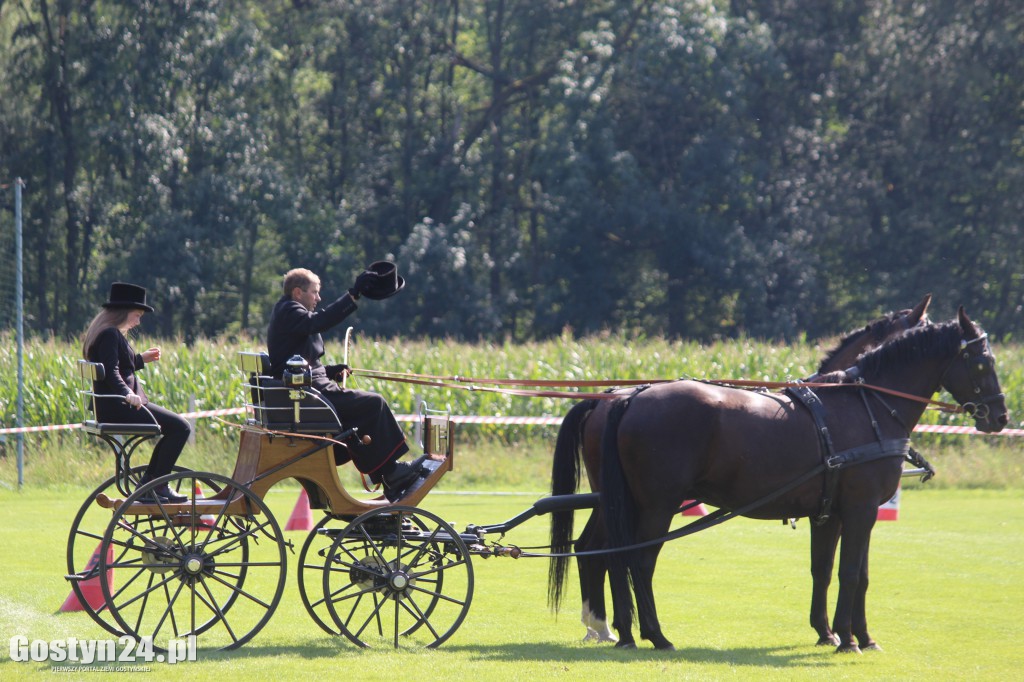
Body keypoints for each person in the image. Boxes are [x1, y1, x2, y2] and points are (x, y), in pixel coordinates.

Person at [266, 263, 437, 502]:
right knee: (373, 403)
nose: (318, 297)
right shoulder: (289, 310)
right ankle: (391, 472)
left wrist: (329, 370)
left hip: (311, 387)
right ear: (297, 292)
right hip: (311, 393)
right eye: (314, 292)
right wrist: (352, 295)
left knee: (362, 413)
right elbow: (319, 323)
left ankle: (388, 474)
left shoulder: (289, 312)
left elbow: (301, 357)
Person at [82, 282, 192, 503]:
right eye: (137, 315)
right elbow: (112, 372)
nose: (138, 321)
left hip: (115, 405)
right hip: (121, 406)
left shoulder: (108, 334)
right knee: (181, 428)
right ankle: (156, 484)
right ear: (123, 312)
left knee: (175, 428)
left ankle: (152, 482)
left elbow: (120, 365)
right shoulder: (111, 334)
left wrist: (141, 359)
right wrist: (127, 394)